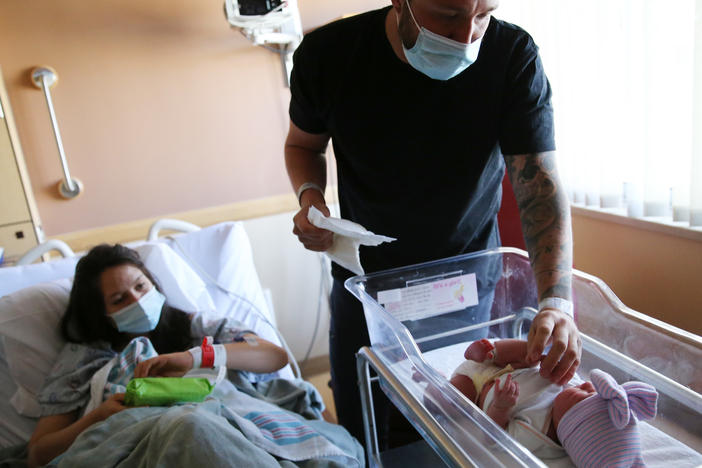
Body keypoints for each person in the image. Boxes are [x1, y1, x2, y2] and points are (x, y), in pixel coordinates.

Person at [284, 0, 579, 446]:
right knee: (366, 424)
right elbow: (302, 145)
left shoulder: (511, 55)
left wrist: (556, 302)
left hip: (462, 279)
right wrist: (310, 198)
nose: (467, 37)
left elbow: (540, 187)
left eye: (484, 14)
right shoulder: (329, 55)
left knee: (457, 418)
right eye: (448, 15)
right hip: (368, 285)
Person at [26, 244, 290, 467]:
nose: (137, 300)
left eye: (140, 286)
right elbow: (38, 455)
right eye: (119, 299)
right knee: (190, 426)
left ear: (153, 282)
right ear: (100, 314)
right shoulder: (83, 360)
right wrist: (100, 417)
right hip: (150, 446)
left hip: (225, 432)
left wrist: (194, 358)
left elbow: (274, 356)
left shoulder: (195, 327)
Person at [449, 339, 658, 466]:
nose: (585, 384)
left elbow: (493, 438)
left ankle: (436, 381)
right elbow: (541, 362)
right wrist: (548, 361)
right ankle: (491, 350)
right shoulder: (565, 390)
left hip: (476, 388)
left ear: (571, 424)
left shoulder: (537, 435)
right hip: (505, 364)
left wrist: (500, 407)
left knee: (450, 401)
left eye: (584, 395)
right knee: (532, 354)